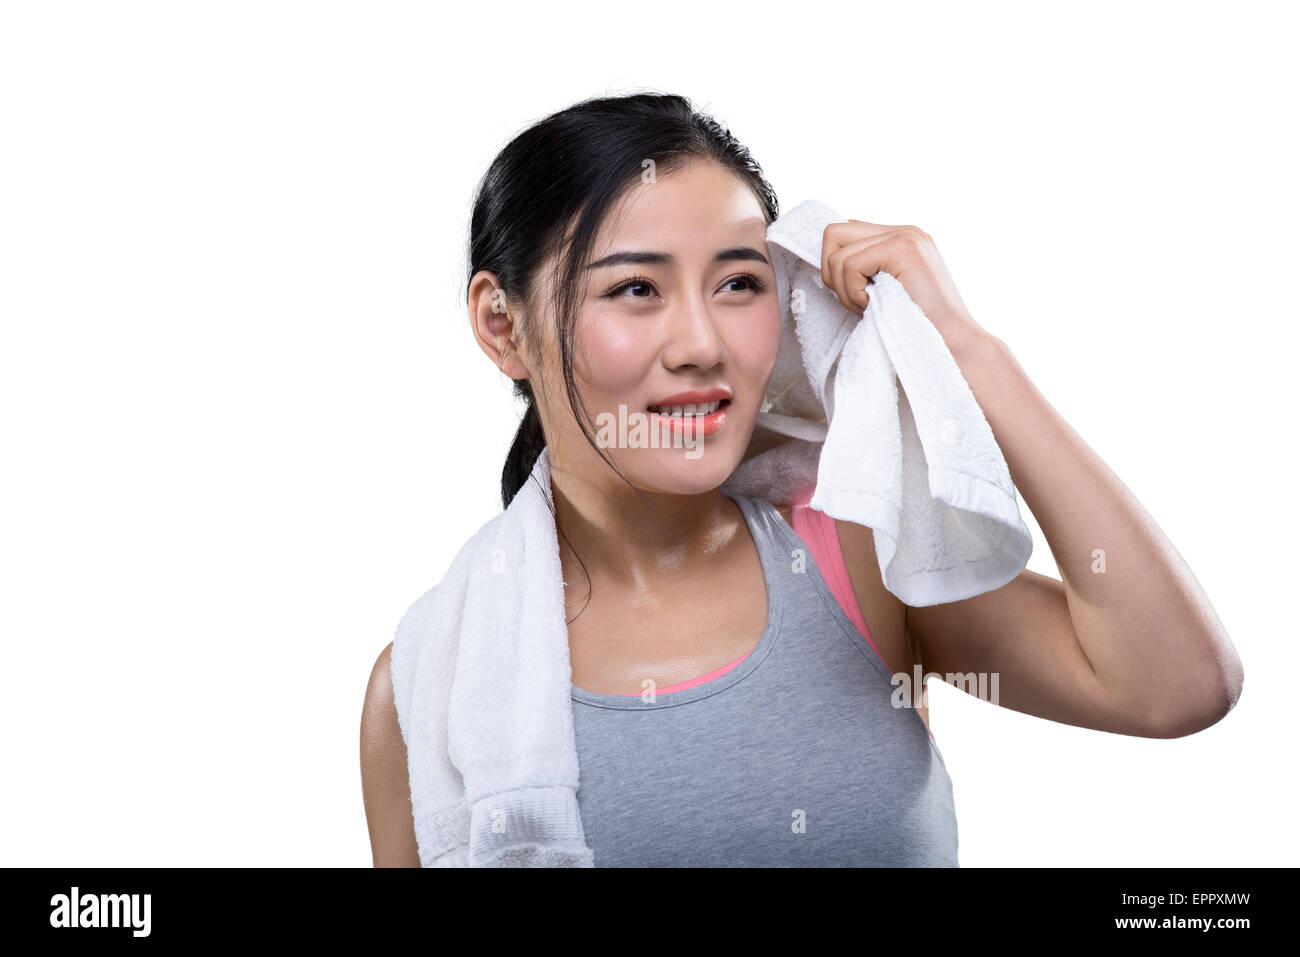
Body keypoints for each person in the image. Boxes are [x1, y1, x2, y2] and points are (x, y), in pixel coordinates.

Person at [360, 91, 1243, 867]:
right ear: (501, 324)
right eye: (635, 290)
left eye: (739, 282)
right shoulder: (427, 688)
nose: (702, 344)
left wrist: (966, 349)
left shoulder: (852, 552)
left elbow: (1179, 684)